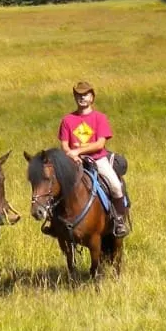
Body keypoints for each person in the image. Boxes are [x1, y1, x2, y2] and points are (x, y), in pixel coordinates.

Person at [58, 81, 129, 238]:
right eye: (78, 95)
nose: (82, 98)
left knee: (116, 185)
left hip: (97, 159)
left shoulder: (100, 118)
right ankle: (54, 222)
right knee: (54, 185)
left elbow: (100, 144)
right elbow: (64, 144)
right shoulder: (67, 120)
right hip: (73, 161)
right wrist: (71, 154)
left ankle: (119, 221)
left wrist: (78, 151)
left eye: (85, 94)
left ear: (92, 97)